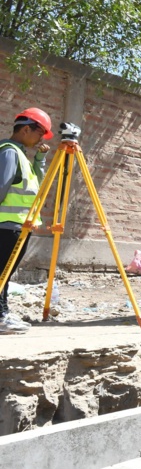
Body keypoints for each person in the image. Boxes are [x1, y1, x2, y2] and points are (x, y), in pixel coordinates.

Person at [0, 108, 52, 334]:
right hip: (6, 225)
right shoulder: (9, 152)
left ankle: (2, 313)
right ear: (26, 129)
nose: (41, 139)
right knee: (1, 273)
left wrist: (40, 159)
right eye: (40, 133)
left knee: (4, 273)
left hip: (17, 225)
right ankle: (1, 318)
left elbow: (35, 187)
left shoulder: (20, 155)